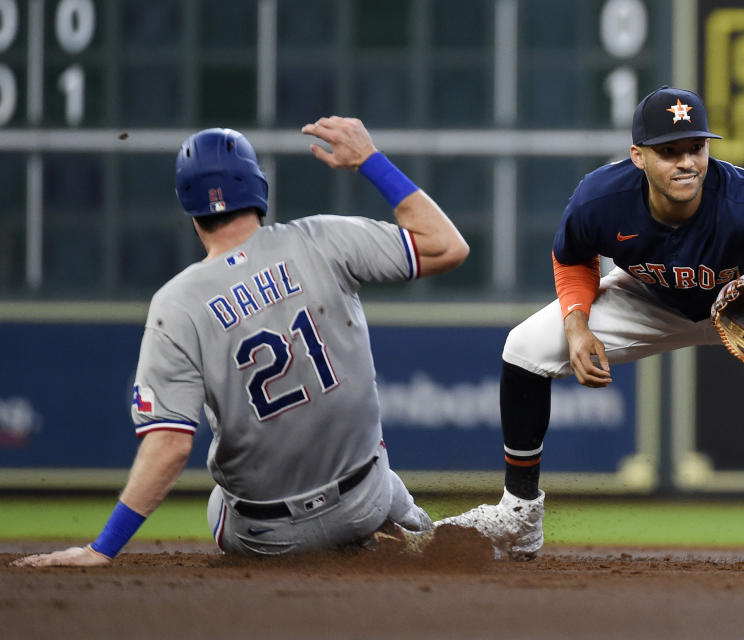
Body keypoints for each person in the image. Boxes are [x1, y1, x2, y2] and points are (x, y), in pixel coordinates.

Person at [437, 86, 744, 568]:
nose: (687, 162)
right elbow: (572, 257)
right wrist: (577, 322)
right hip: (646, 297)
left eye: (696, 147)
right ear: (638, 156)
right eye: (669, 152)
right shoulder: (599, 198)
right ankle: (520, 514)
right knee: (523, 348)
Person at [13, 116, 469, 567]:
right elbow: (448, 246)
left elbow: (169, 446)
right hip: (362, 503)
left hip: (267, 537)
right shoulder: (321, 240)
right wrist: (369, 160)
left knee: (218, 503)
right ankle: (412, 528)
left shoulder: (175, 305)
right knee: (381, 478)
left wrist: (102, 548)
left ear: (190, 211)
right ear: (258, 187)